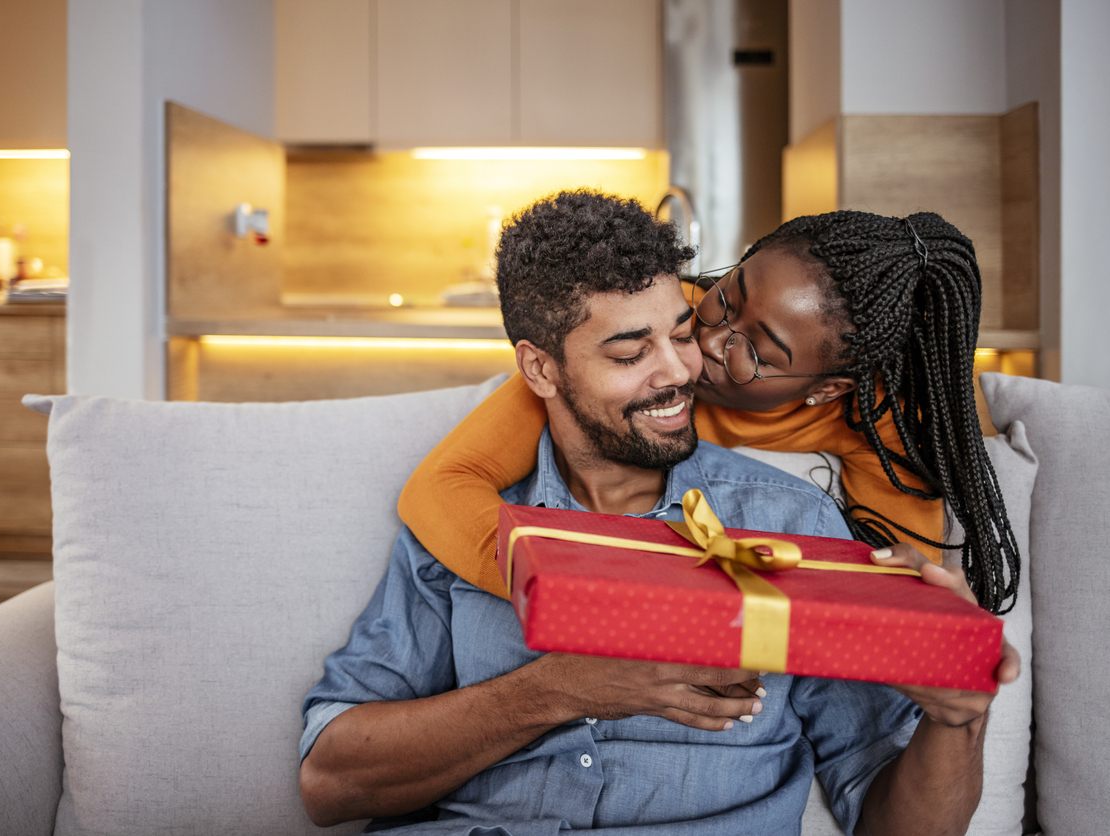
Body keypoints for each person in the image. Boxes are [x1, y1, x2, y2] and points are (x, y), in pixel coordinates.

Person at [299, 191, 1017, 834]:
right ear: (541, 370)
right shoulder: (466, 523)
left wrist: (958, 712)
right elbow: (329, 781)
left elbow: (886, 803)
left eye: (679, 333)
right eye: (630, 351)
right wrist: (556, 686)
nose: (687, 365)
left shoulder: (798, 521)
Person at [398, 206, 1021, 615]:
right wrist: (575, 592)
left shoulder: (879, 420)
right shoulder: (660, 325)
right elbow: (440, 489)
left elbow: (886, 594)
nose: (704, 346)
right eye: (728, 297)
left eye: (756, 352)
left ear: (827, 390)